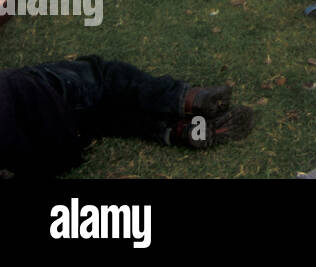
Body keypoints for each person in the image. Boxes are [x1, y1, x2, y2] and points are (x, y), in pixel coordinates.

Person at [0, 57, 254, 177]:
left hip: (46, 157)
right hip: (38, 97)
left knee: (103, 118)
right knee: (105, 76)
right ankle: (186, 98)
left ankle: (181, 130)